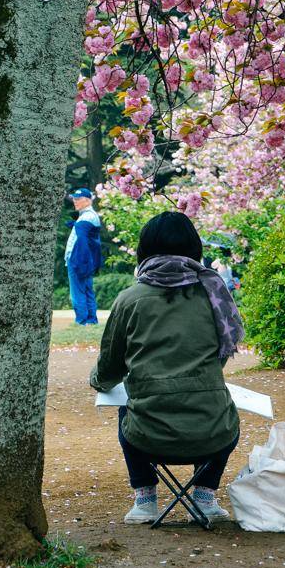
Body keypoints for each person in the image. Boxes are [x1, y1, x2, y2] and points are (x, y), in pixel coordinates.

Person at [90, 211, 244, 525]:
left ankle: (145, 499)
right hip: (213, 432)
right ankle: (204, 496)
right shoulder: (215, 296)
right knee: (227, 413)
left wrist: (98, 381)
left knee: (126, 410)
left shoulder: (129, 299)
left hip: (147, 435)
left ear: (143, 251)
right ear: (195, 250)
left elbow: (109, 369)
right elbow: (220, 356)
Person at [65, 188, 103, 326]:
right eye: (74, 199)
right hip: (87, 260)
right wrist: (75, 225)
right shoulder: (89, 215)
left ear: (87, 201)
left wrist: (78, 262)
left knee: (77, 292)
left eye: (78, 199)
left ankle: (81, 321)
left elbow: (82, 240)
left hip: (78, 260)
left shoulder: (86, 217)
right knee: (87, 291)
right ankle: (91, 321)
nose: (75, 201)